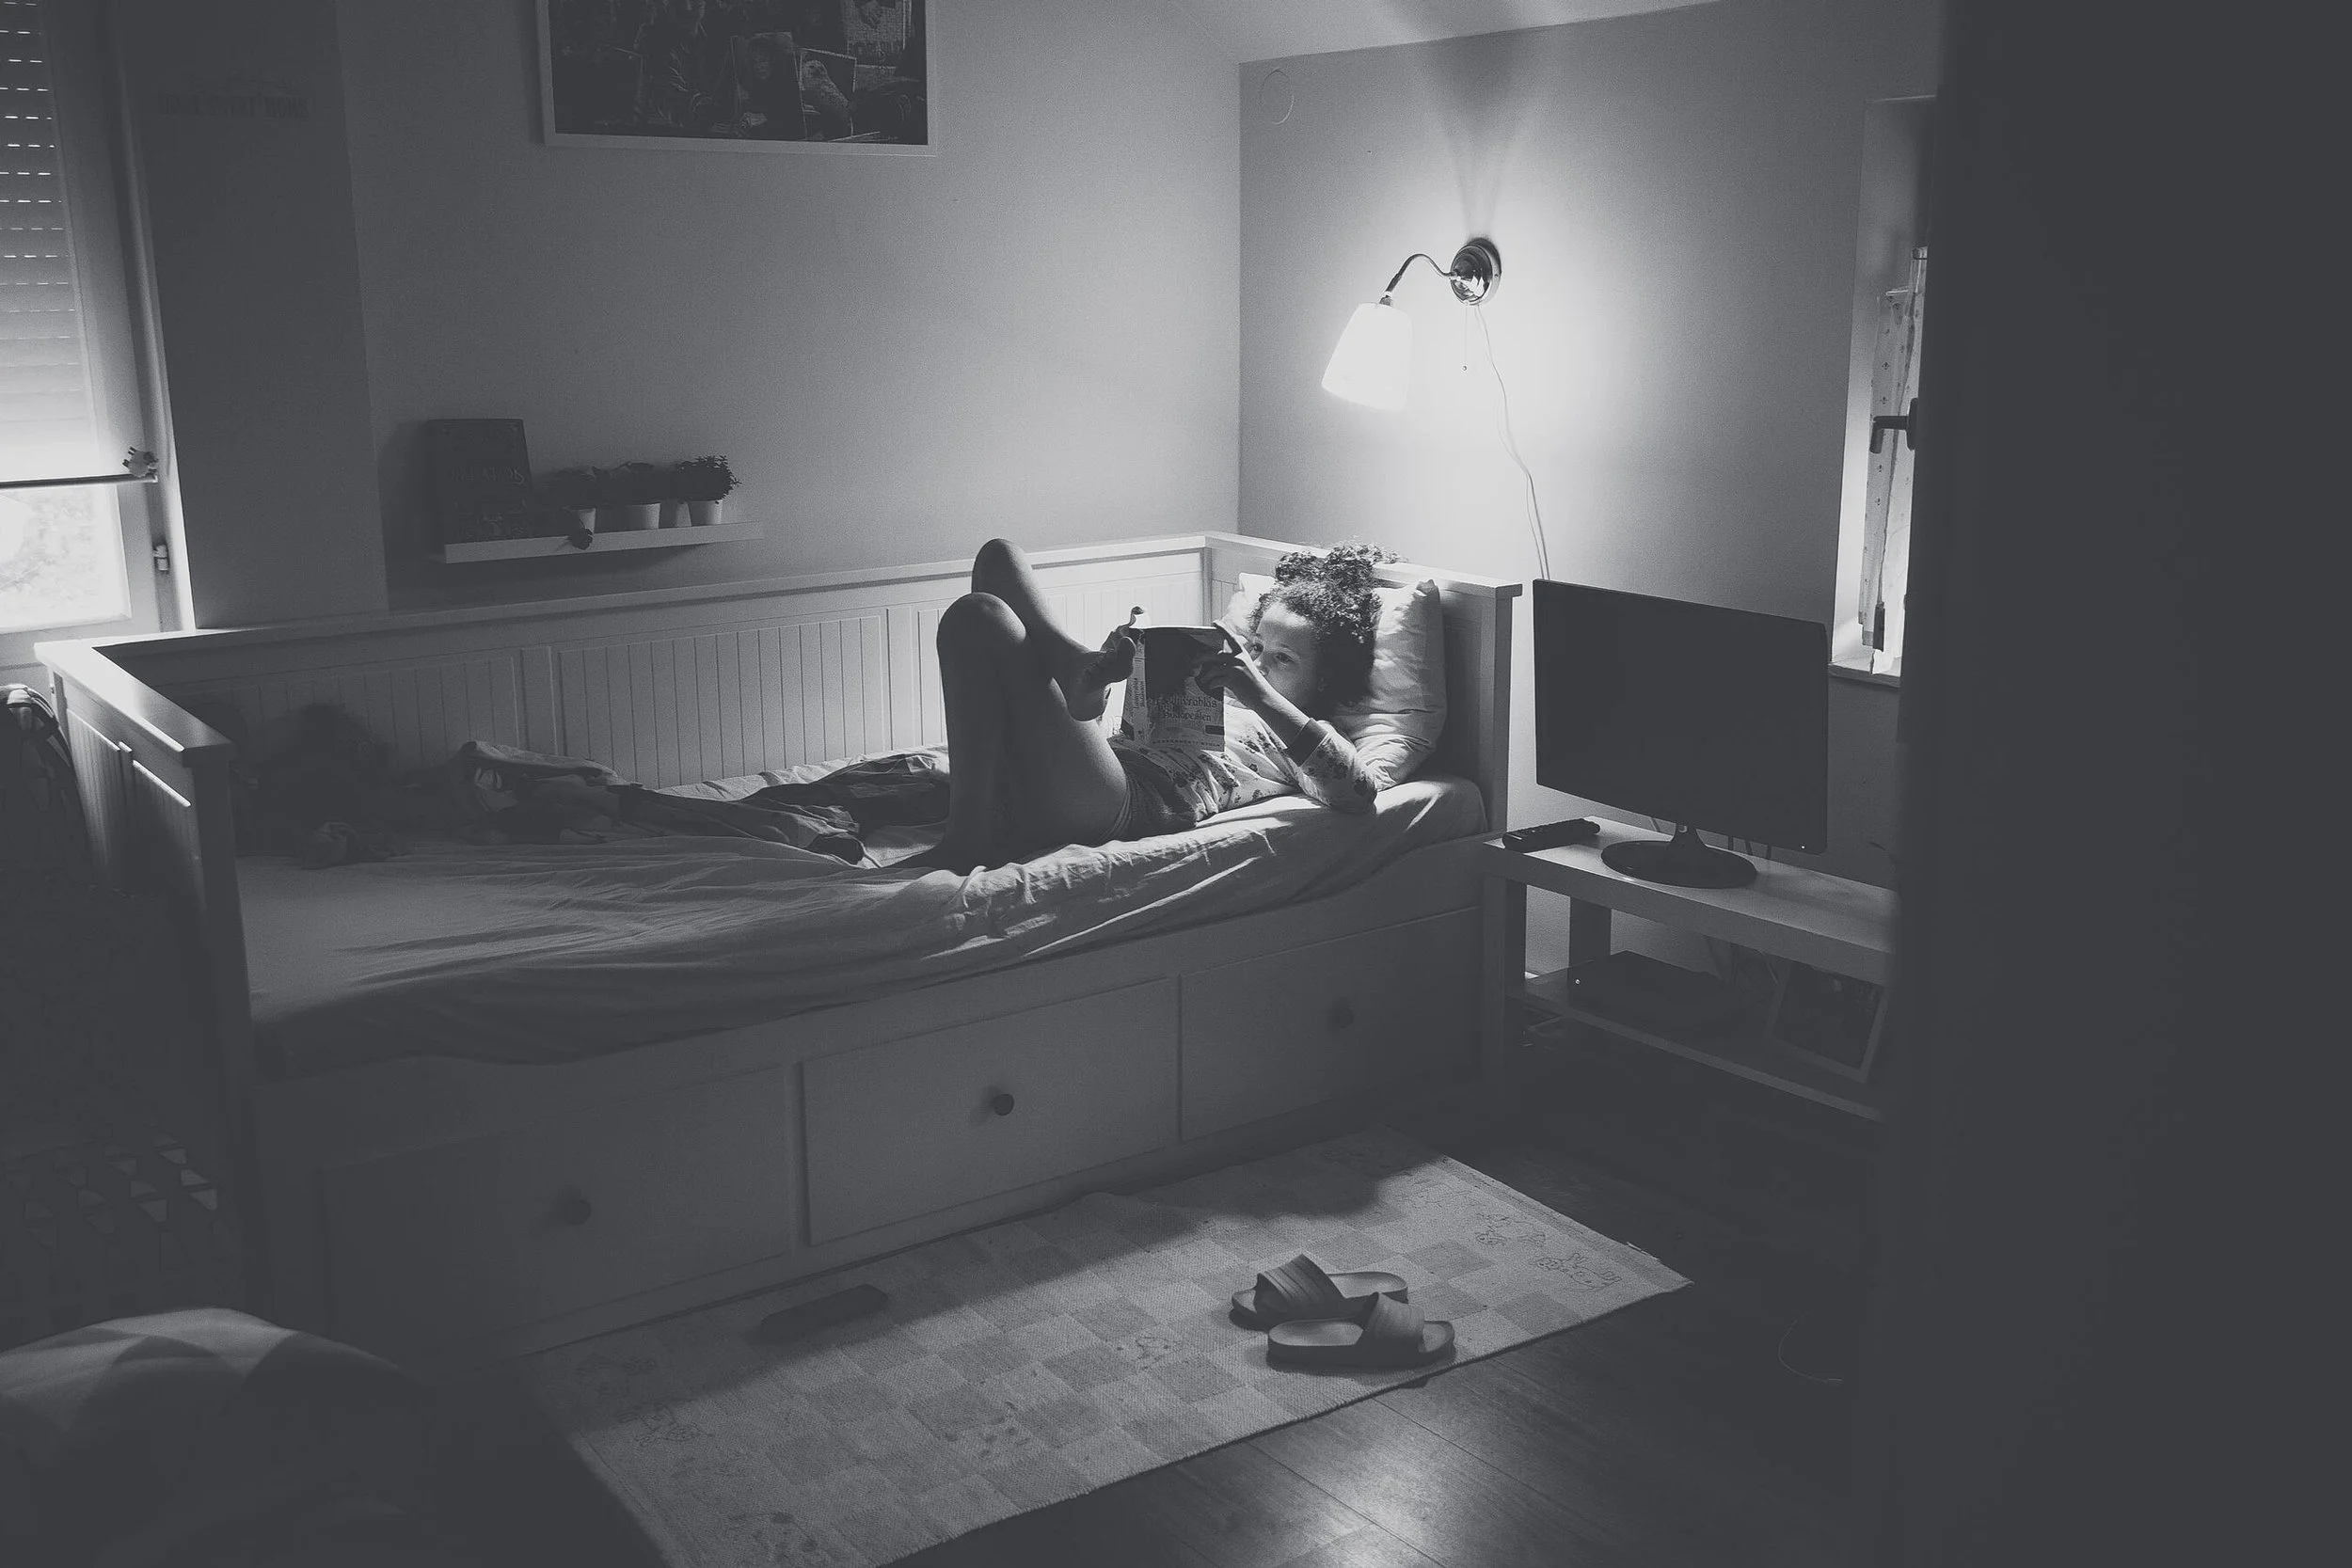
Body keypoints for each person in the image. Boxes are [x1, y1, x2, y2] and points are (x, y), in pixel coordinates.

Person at [906, 538, 1387, 873]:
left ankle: (966, 836)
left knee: (981, 616)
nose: (1258, 664)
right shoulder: (1209, 684)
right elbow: (1087, 731)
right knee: (999, 559)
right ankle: (1081, 664)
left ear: (1323, 680)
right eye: (1257, 647)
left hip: (1127, 803)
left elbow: (1358, 793)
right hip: (1096, 769)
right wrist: (1112, 673)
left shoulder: (1299, 736)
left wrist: (1261, 697)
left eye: (1283, 660)